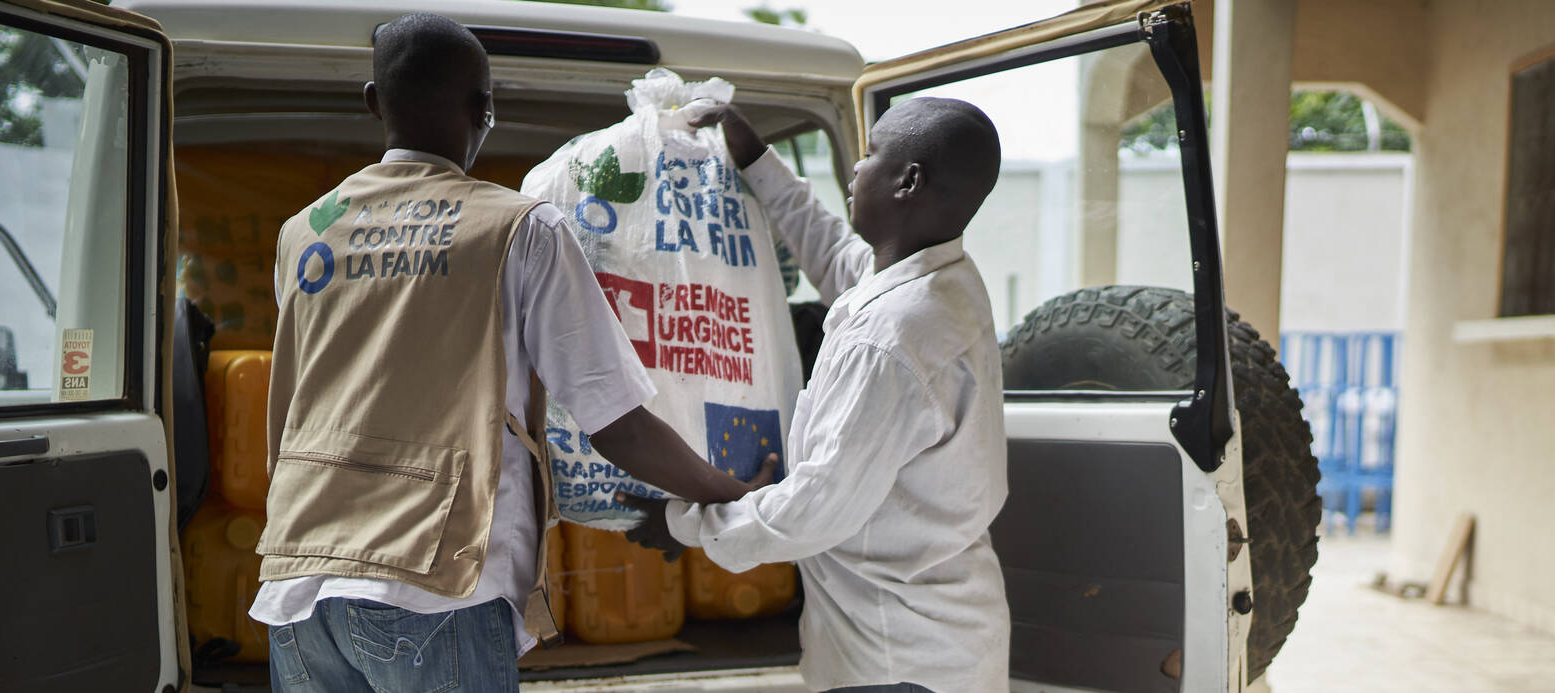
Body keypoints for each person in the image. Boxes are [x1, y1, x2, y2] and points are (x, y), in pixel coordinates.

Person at [249, 13, 770, 692]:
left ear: (376, 103)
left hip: (297, 582)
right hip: (435, 587)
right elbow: (616, 421)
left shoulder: (305, 233)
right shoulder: (520, 229)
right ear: (485, 110)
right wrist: (733, 494)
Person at [618, 97, 1010, 693]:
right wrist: (753, 156)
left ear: (908, 181)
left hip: (899, 661)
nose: (856, 168)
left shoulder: (893, 336)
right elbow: (830, 249)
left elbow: (812, 510)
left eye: (871, 154)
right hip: (929, 642)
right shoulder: (942, 282)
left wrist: (684, 525)